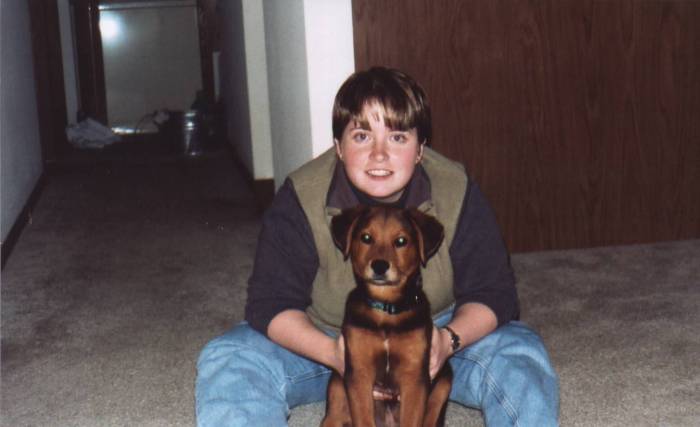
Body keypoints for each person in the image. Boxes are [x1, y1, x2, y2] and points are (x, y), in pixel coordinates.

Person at [196, 67, 559, 426]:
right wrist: (336, 353)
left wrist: (447, 341)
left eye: (398, 137)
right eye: (362, 136)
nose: (379, 154)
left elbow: (495, 292)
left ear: (420, 148)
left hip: (435, 335)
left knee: (519, 352)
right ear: (339, 147)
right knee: (231, 356)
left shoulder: (456, 188)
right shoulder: (301, 197)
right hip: (326, 339)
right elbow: (269, 303)